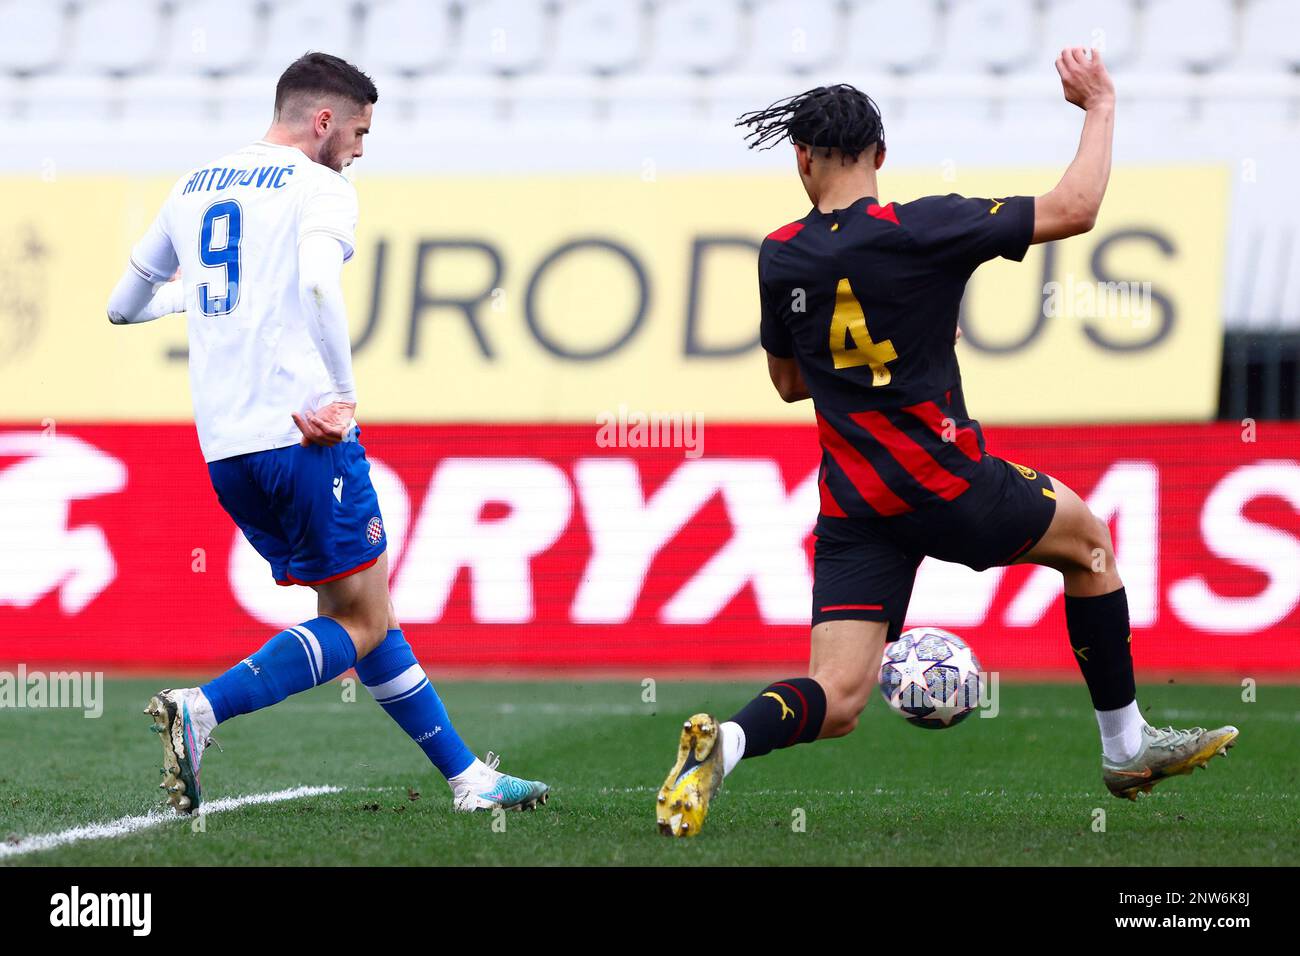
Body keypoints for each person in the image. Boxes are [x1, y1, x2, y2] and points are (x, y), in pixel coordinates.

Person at [656, 49, 1235, 838]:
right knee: (1091, 546)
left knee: (841, 696)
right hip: (950, 486)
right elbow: (1075, 207)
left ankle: (723, 746)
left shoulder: (780, 253)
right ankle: (1126, 744)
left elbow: (790, 384)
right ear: (881, 156)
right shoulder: (922, 226)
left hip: (856, 508)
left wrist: (910, 337)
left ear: (801, 159)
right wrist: (1098, 104)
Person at [107, 52, 549, 816]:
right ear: (323, 120)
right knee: (363, 618)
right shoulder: (321, 187)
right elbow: (316, 281)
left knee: (360, 613)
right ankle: (203, 708)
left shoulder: (193, 185)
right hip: (307, 437)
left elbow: (123, 305)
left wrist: (204, 303)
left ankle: (467, 778)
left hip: (228, 452)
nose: (360, 148)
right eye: (359, 130)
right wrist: (342, 395)